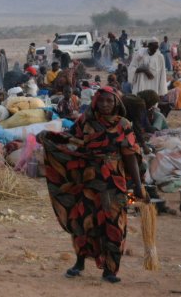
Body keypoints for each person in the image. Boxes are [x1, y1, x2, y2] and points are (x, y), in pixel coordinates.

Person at [39, 87, 146, 283]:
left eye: (109, 101)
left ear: (116, 103)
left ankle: (110, 270)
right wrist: (50, 140)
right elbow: (72, 141)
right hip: (87, 180)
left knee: (114, 222)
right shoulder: (86, 121)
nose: (105, 104)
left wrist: (138, 187)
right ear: (96, 101)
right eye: (102, 100)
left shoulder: (123, 125)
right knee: (84, 220)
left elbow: (130, 155)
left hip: (114, 181)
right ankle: (79, 262)